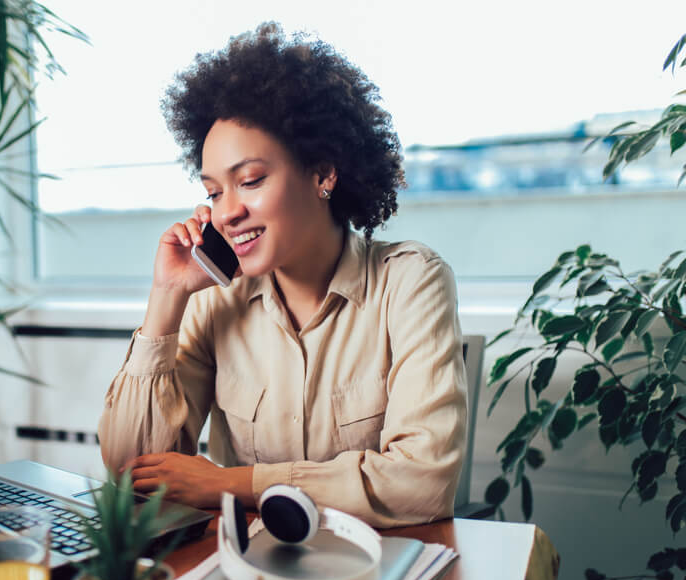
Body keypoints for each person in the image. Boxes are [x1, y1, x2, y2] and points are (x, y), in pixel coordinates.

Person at [97, 22, 467, 528]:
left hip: (376, 568)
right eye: (213, 192)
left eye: (249, 181)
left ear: (322, 174)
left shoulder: (410, 283)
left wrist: (232, 483)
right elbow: (130, 471)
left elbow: (423, 484)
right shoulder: (215, 298)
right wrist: (167, 298)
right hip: (249, 567)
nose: (227, 213)